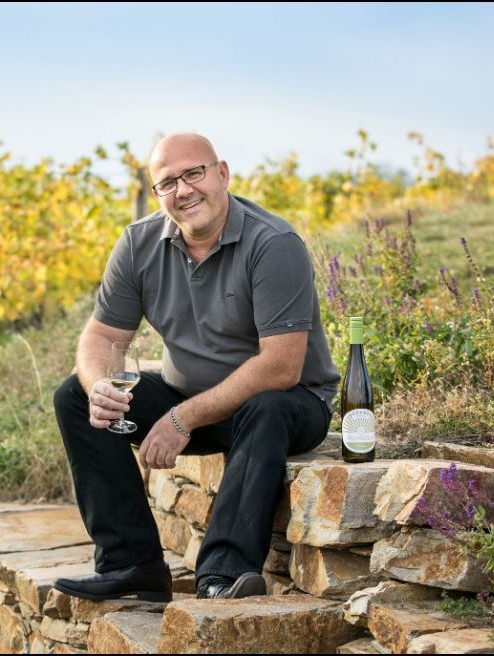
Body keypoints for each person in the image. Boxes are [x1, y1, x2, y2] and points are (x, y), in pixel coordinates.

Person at [52, 132, 339, 602]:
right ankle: (132, 565)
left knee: (266, 406)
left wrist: (181, 418)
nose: (183, 190)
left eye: (194, 174)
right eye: (168, 182)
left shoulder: (274, 244)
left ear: (221, 174)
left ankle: (222, 576)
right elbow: (101, 337)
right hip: (190, 400)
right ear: (157, 194)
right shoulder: (139, 243)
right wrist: (99, 384)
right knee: (74, 396)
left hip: (289, 408)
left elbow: (281, 367)